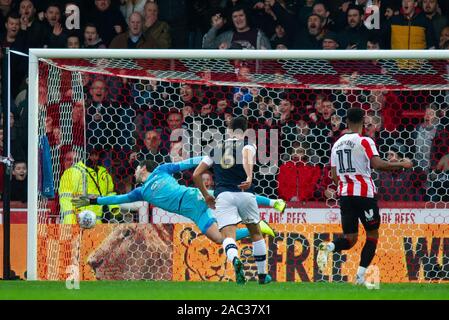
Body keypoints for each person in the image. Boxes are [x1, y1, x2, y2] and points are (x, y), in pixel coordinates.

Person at [72, 157, 284, 249]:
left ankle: (273, 202)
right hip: (193, 213)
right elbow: (118, 198)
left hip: (193, 196)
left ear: (144, 168)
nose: (135, 171)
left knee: (235, 197)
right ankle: (259, 228)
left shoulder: (160, 170)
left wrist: (208, 159)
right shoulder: (141, 192)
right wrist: (95, 200)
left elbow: (186, 164)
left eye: (137, 168)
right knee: (219, 239)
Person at [317, 108, 413, 285]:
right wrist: (402, 163)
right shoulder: (365, 140)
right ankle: (360, 277)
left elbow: (333, 173)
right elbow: (377, 164)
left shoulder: (337, 144)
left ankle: (329, 246)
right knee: (372, 235)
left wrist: (345, 185)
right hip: (364, 195)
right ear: (363, 122)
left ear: (347, 121)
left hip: (345, 195)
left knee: (350, 239)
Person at [192, 116, 272, 285]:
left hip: (224, 196)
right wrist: (249, 176)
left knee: (228, 235)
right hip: (246, 193)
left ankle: (235, 260)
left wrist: (206, 194)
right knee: (256, 233)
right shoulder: (248, 144)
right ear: (245, 130)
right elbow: (247, 156)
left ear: (229, 130)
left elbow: (196, 174)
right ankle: (263, 276)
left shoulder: (216, 148)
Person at [59, 145, 120, 224]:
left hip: (99, 224)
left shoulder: (104, 174)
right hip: (79, 222)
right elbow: (66, 199)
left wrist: (114, 207)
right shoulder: (72, 172)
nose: (94, 157)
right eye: (92, 154)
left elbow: (109, 192)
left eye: (97, 154)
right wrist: (70, 223)